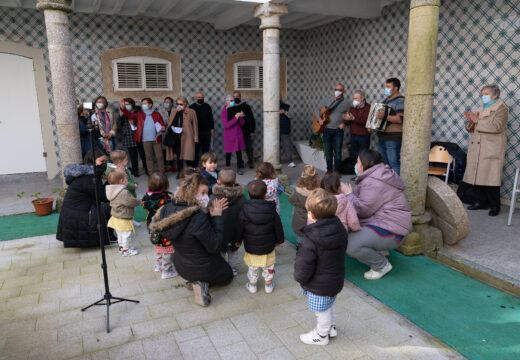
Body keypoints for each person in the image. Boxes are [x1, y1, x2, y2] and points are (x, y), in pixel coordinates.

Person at [149, 173, 231, 307]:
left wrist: (207, 214)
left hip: (181, 267)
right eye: (202, 193)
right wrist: (216, 217)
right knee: (228, 275)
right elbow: (215, 246)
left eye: (207, 192)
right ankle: (202, 282)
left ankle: (194, 281)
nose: (206, 197)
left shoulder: (168, 208)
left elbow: (190, 232)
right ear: (191, 192)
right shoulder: (197, 217)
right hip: (203, 268)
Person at [343, 150, 412, 280]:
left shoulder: (373, 182)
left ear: (366, 164)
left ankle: (381, 265)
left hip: (392, 230)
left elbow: (362, 210)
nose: (356, 165)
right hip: (387, 223)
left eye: (358, 162)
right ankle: (378, 249)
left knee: (350, 245)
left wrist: (348, 194)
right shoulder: (377, 175)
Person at [294, 188, 348, 346]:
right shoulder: (340, 229)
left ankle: (321, 335)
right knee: (330, 305)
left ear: (311, 214)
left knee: (321, 311)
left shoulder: (309, 240)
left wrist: (299, 278)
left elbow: (304, 266)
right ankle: (331, 328)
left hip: (319, 284)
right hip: (335, 279)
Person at [463, 84, 509, 216]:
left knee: (491, 178)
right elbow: (472, 128)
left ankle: (495, 205)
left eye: (486, 94)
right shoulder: (481, 108)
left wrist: (476, 120)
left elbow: (497, 127)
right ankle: (480, 202)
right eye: (482, 94)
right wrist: (470, 122)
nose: (483, 96)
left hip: (490, 148)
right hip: (477, 146)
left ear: (495, 95)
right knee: (477, 176)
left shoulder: (502, 109)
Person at [235, 180, 284, 294]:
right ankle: (268, 285)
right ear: (265, 194)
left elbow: (239, 227)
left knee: (253, 267)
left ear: (249, 193)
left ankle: (252, 285)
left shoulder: (244, 210)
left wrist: (237, 240)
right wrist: (279, 240)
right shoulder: (272, 210)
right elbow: (278, 226)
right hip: (268, 246)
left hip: (251, 247)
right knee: (269, 266)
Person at [57, 148, 112, 248]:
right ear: (92, 161)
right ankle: (112, 235)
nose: (104, 164)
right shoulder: (91, 177)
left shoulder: (85, 173)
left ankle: (111, 234)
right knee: (114, 205)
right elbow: (103, 197)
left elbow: (99, 193)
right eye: (101, 161)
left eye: (106, 161)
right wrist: (112, 180)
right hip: (79, 218)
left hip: (75, 215)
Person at [210, 168, 246, 276]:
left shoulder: (213, 198)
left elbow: (208, 214)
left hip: (219, 232)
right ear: (235, 180)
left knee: (220, 253)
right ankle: (233, 269)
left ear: (218, 181)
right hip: (235, 233)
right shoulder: (242, 198)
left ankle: (221, 269)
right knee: (233, 253)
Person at [142, 172, 177, 279]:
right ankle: (166, 271)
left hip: (151, 227)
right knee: (167, 250)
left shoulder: (146, 197)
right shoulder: (166, 199)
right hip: (164, 227)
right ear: (166, 186)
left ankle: (158, 266)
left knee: (158, 247)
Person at [119, 98, 166, 174]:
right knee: (148, 157)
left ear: (150, 104)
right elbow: (130, 115)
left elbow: (162, 124)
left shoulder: (157, 114)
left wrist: (163, 127)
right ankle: (151, 173)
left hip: (156, 138)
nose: (143, 105)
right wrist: (123, 108)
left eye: (145, 103)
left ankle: (162, 172)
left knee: (160, 157)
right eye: (142, 103)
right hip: (145, 140)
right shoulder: (140, 114)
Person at [315, 84, 350, 173]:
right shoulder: (327, 99)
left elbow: (350, 116)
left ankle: (337, 172)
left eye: (340, 89)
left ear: (343, 91)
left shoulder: (346, 103)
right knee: (328, 151)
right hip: (326, 129)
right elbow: (317, 109)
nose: (337, 91)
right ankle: (329, 170)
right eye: (336, 89)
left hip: (338, 131)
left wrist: (345, 123)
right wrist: (319, 119)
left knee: (338, 152)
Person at [106, 169, 141, 256]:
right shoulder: (123, 192)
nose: (127, 181)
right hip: (123, 217)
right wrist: (138, 201)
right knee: (126, 235)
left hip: (115, 216)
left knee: (120, 235)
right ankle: (126, 250)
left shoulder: (112, 190)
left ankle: (122, 248)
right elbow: (130, 202)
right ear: (121, 181)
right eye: (126, 179)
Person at [377, 78, 405, 175]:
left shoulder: (400, 101)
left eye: (388, 87)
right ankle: (388, 185)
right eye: (386, 87)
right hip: (382, 136)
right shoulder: (385, 100)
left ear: (396, 88)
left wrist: (384, 116)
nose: (386, 89)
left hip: (393, 137)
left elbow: (400, 119)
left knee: (394, 163)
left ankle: (396, 187)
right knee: (384, 163)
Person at [167, 96, 199, 177]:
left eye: (180, 104)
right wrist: (177, 113)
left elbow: (195, 125)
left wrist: (196, 138)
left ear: (185, 104)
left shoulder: (192, 112)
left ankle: (190, 172)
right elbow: (170, 124)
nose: (179, 105)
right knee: (179, 155)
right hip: (177, 137)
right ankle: (180, 172)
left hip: (188, 137)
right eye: (177, 104)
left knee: (189, 155)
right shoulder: (174, 112)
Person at [289, 165, 321, 241]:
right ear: (317, 180)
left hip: (299, 225)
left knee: (300, 244)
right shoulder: (318, 195)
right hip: (314, 226)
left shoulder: (297, 193)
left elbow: (291, 200)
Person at [118, 98, 147, 177]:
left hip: (138, 135)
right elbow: (119, 125)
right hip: (129, 136)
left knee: (143, 155)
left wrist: (134, 123)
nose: (127, 106)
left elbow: (142, 123)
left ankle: (147, 170)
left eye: (128, 104)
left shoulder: (138, 112)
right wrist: (120, 116)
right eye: (125, 104)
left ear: (132, 104)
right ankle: (135, 172)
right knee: (133, 156)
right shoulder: (123, 113)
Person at [342, 90, 371, 162]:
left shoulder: (368, 107)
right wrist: (345, 120)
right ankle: (357, 171)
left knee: (364, 155)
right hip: (353, 135)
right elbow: (349, 120)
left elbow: (365, 121)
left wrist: (353, 118)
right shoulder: (352, 107)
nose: (354, 100)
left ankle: (364, 172)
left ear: (362, 98)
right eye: (353, 98)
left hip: (363, 136)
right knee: (355, 155)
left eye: (356, 98)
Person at [221, 94, 245, 175]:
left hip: (237, 134)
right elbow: (226, 125)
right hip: (229, 135)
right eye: (230, 101)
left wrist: (240, 116)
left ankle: (240, 168)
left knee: (239, 152)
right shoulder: (224, 111)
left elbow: (242, 123)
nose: (232, 102)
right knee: (228, 153)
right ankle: (227, 168)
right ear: (226, 101)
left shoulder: (236, 109)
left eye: (233, 101)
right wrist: (235, 118)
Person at [190, 92, 215, 165]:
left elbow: (211, 119)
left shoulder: (207, 106)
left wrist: (212, 129)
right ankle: (195, 166)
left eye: (202, 98)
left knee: (205, 151)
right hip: (195, 133)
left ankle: (205, 166)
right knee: (195, 151)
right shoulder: (191, 107)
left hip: (206, 132)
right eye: (199, 97)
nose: (201, 99)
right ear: (195, 98)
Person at [233, 91, 256, 169]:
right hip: (236, 132)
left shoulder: (246, 106)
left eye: (237, 96)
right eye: (234, 97)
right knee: (238, 148)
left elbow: (252, 119)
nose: (236, 98)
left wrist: (252, 130)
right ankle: (240, 163)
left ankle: (250, 162)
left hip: (246, 131)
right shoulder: (231, 107)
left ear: (240, 97)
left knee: (248, 147)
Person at [159, 97, 176, 173]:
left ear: (172, 103)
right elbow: (160, 121)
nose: (166, 103)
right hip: (163, 132)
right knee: (164, 150)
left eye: (168, 102)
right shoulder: (161, 111)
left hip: (173, 133)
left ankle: (171, 166)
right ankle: (165, 166)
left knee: (172, 149)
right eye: (165, 102)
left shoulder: (175, 110)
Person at [280, 96, 295, 168]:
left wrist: (285, 112)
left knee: (287, 146)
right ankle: (276, 161)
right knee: (274, 146)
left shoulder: (287, 106)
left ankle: (290, 161)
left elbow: (292, 115)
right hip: (274, 131)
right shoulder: (271, 106)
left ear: (281, 98)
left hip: (285, 129)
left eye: (279, 96)